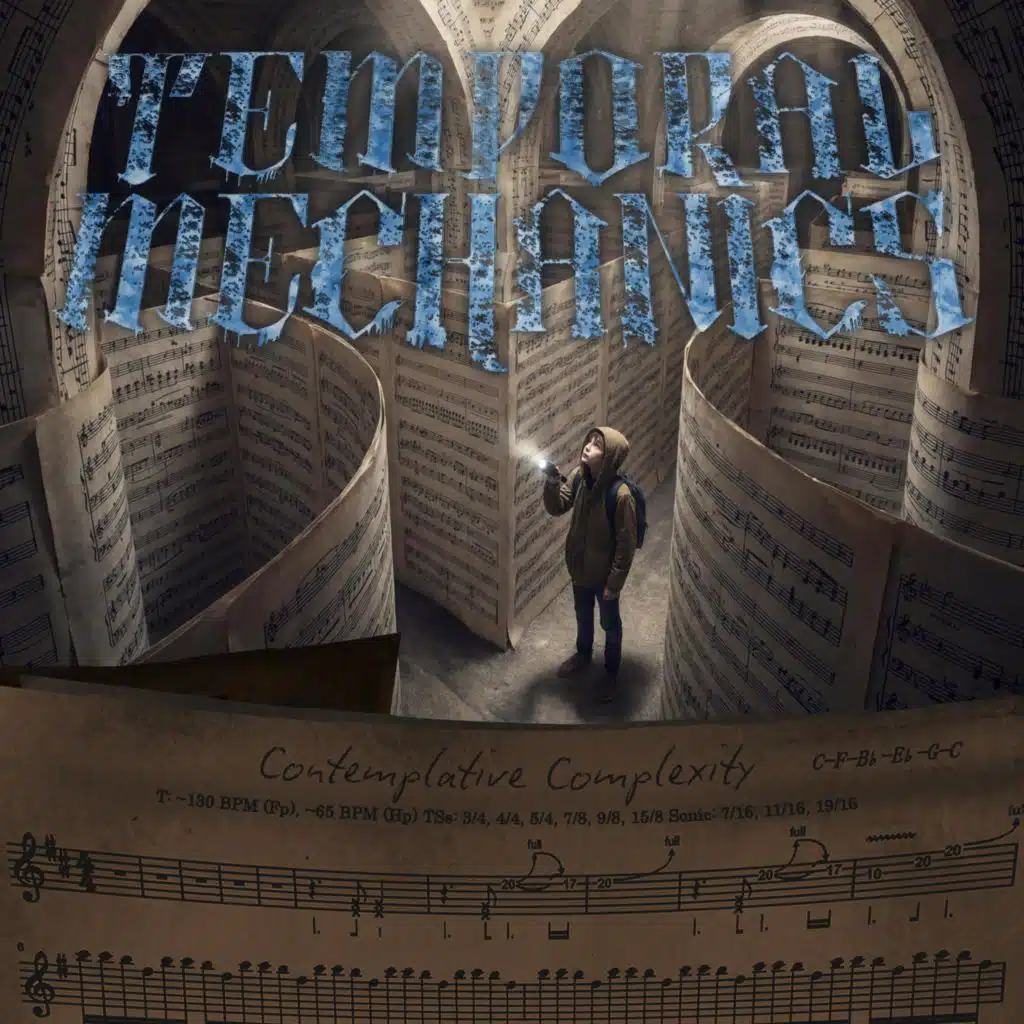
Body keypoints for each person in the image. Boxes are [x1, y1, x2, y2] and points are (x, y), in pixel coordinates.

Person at [541, 426, 638, 700]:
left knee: (610, 624)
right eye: (590, 441)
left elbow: (626, 546)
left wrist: (614, 584)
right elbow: (557, 506)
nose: (588, 446)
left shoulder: (621, 496)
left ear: (609, 458)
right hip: (580, 569)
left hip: (604, 578)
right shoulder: (579, 478)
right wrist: (552, 483)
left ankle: (610, 674)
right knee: (583, 615)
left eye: (597, 445)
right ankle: (583, 655)